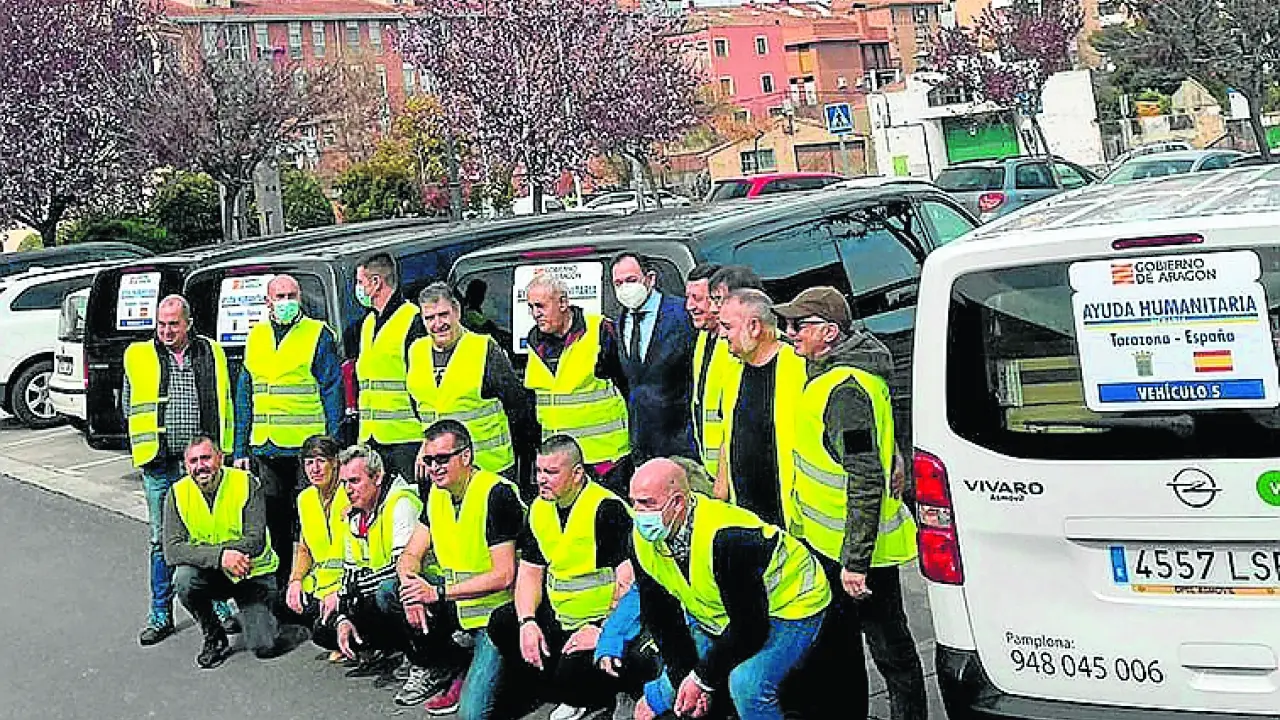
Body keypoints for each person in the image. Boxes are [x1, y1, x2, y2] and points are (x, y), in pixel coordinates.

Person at [776, 287, 926, 720]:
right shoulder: (826, 373)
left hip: (859, 551)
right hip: (832, 543)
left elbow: (863, 476)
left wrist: (856, 562)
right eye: (787, 324)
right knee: (848, 643)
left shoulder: (844, 390)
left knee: (890, 647)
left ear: (829, 333)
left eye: (799, 325)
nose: (790, 332)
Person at [628, 459, 830, 720]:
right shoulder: (642, 539)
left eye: (647, 503)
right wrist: (688, 678)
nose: (638, 513)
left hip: (793, 603)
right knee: (679, 683)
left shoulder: (728, 538)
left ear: (677, 503)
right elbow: (660, 616)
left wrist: (701, 679)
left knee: (747, 685)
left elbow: (750, 629)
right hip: (723, 614)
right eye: (633, 502)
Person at [489, 435, 641, 720]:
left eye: (551, 472)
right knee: (502, 622)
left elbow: (629, 583)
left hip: (600, 621)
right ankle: (551, 689)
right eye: (538, 471)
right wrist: (527, 622)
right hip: (562, 614)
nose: (541, 479)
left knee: (572, 673)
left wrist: (604, 631)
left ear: (577, 474)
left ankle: (595, 697)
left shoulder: (605, 509)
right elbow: (530, 572)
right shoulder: (539, 508)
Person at [124, 294, 236, 646]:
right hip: (159, 463)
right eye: (161, 324)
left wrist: (225, 451)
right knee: (161, 541)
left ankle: (216, 603)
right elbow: (129, 404)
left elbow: (225, 400)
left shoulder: (210, 352)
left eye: (173, 324)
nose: (166, 331)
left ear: (188, 323)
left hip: (201, 464)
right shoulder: (139, 355)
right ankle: (160, 613)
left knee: (207, 535)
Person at [396, 420, 525, 718]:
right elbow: (410, 554)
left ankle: (516, 676)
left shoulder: (496, 494)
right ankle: (452, 664)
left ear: (466, 456)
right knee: (391, 591)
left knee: (472, 715)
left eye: (442, 459)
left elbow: (505, 575)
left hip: (498, 614)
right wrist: (411, 587)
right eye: (429, 460)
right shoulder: (437, 494)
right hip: (459, 607)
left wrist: (437, 593)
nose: (434, 467)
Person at [233, 274, 344, 594]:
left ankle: (315, 590)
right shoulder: (256, 336)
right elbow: (245, 394)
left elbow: (332, 391)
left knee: (310, 524)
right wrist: (240, 448)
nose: (286, 302)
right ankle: (284, 593)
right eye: (279, 296)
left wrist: (332, 445)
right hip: (266, 448)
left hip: (306, 451)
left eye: (291, 296)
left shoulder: (317, 334)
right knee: (276, 526)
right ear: (267, 301)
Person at [163, 436, 304, 668]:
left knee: (265, 647)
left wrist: (224, 556)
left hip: (252, 573)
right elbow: (172, 550)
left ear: (220, 458)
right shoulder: (177, 493)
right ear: (185, 465)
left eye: (206, 458)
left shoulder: (245, 483)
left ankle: (287, 621)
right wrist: (221, 557)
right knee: (183, 580)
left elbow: (256, 540)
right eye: (193, 461)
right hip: (214, 571)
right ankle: (214, 636)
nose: (200, 466)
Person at [330, 444, 443, 707]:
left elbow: (401, 568)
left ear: (378, 477)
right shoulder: (354, 513)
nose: (348, 490)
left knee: (389, 592)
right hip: (380, 587)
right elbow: (349, 572)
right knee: (328, 624)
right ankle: (399, 649)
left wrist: (357, 588)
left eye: (355, 481)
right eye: (344, 483)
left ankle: (427, 662)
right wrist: (343, 615)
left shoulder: (401, 503)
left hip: (427, 587)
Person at [407, 282, 539, 486]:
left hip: (489, 467)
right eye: (430, 318)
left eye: (443, 315)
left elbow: (518, 406)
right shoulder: (416, 351)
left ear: (457, 312)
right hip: (441, 470)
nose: (437, 324)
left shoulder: (483, 348)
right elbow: (420, 408)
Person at [523, 273, 632, 496]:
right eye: (531, 307)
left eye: (541, 306)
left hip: (605, 460)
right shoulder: (535, 341)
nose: (535, 314)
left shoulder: (599, 331)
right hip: (560, 464)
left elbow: (629, 386)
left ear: (563, 303)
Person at [714, 289, 807, 529]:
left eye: (727, 327)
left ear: (754, 327)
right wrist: (721, 489)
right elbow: (728, 433)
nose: (721, 334)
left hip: (791, 518)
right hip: (747, 516)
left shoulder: (799, 367)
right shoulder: (734, 369)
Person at [610, 252, 696, 464]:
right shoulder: (620, 321)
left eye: (631, 280)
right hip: (642, 444)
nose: (625, 288)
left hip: (682, 443)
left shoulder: (682, 314)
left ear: (650, 279)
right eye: (618, 283)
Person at [355, 252, 427, 483]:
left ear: (376, 283)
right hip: (372, 439)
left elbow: (424, 385)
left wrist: (429, 438)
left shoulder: (413, 319)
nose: (358, 289)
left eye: (360, 282)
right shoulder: (369, 323)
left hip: (407, 440)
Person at [691, 265, 763, 478]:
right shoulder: (706, 337)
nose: (714, 308)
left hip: (742, 476)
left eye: (718, 300)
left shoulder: (747, 350)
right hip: (717, 470)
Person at [283, 435, 348, 660]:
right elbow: (304, 548)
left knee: (322, 632)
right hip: (321, 584)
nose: (315, 469)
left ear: (335, 462)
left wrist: (339, 592)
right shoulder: (305, 499)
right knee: (281, 602)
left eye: (321, 461)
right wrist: (295, 581)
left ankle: (354, 639)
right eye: (309, 462)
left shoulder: (349, 491)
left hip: (350, 584)